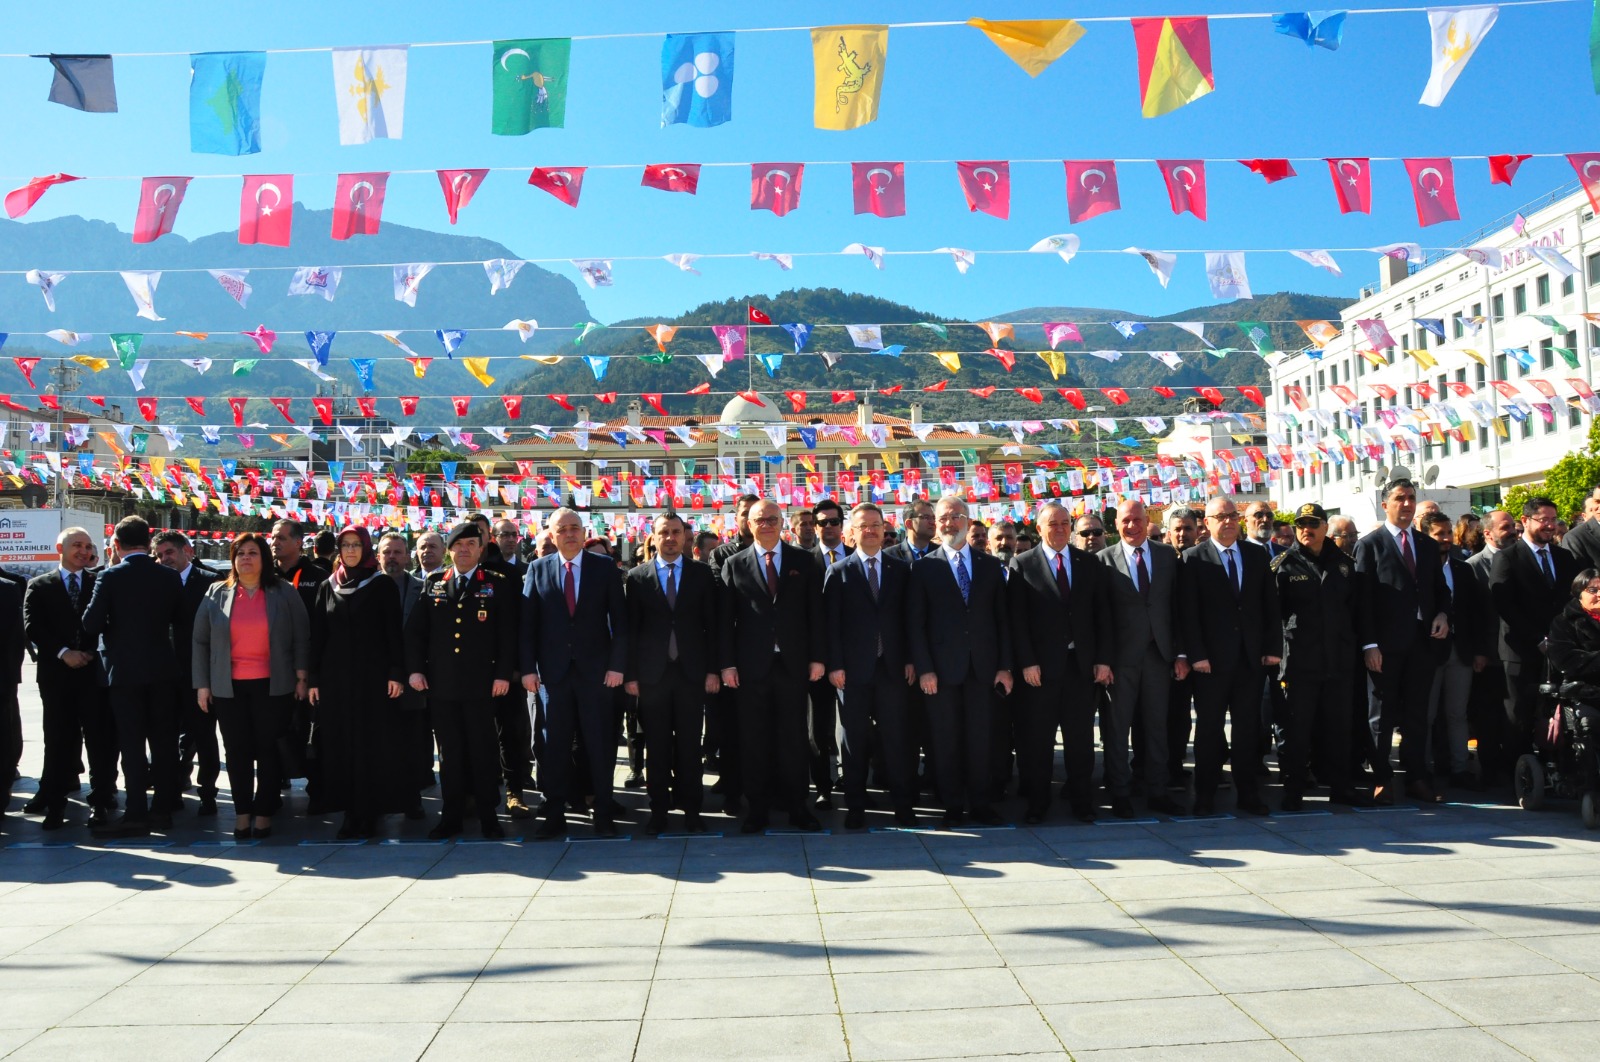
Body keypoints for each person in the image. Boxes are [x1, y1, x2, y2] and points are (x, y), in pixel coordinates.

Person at [193, 533, 310, 840]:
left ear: (264, 558)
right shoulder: (216, 592)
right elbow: (200, 641)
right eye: (240, 553)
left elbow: (302, 634)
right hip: (227, 687)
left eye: (253, 552)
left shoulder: (283, 592)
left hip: (274, 685)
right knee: (237, 751)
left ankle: (264, 812)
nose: (246, 557)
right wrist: (202, 685)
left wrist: (301, 676)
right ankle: (242, 812)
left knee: (269, 750)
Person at [718, 498, 826, 833]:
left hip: (793, 665)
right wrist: (727, 665)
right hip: (751, 668)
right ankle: (758, 810)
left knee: (795, 739)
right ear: (748, 524)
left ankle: (798, 807)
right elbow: (725, 621)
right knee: (754, 740)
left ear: (783, 524)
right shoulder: (734, 564)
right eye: (760, 520)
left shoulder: (803, 560)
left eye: (773, 519)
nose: (766, 525)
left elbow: (816, 615)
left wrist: (818, 658)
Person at [520, 508, 628, 839]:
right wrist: (527, 669)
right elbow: (527, 625)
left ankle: (604, 813)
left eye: (574, 528)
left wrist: (617, 666)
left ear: (584, 533)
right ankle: (554, 815)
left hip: (597, 674)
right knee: (554, 747)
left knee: (599, 744)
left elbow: (621, 623)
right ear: (551, 535)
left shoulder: (604, 567)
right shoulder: (537, 569)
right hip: (552, 676)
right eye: (562, 529)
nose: (569, 533)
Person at [407, 523, 518, 840]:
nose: (466, 549)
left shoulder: (495, 583)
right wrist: (415, 670)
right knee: (450, 755)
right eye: (460, 544)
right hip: (442, 686)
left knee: (483, 753)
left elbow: (507, 635)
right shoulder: (435, 584)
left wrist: (502, 673)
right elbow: (416, 634)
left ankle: (488, 818)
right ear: (450, 550)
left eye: (472, 544)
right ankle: (451, 816)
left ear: (481, 549)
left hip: (482, 685)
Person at [908, 495, 1012, 827]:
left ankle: (981, 804)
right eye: (942, 518)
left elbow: (1002, 620)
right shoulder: (924, 567)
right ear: (934, 524)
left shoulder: (990, 565)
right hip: (940, 671)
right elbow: (916, 624)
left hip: (983, 669)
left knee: (981, 740)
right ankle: (952, 805)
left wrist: (1005, 666)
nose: (949, 523)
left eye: (955, 516)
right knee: (946, 741)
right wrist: (924, 668)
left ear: (968, 520)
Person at [1177, 496, 1282, 816]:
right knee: (1209, 730)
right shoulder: (1193, 559)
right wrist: (1196, 654)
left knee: (1248, 730)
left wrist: (1272, 648)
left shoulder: (1255, 555)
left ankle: (1248, 794)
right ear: (1206, 523)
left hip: (1250, 660)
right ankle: (1205, 795)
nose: (1228, 521)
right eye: (1220, 517)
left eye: (1232, 516)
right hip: (1210, 662)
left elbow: (1269, 605)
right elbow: (1188, 613)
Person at [1009, 502, 1112, 824]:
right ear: (1039, 529)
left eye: (1065, 523)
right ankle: (1038, 804)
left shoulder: (1088, 563)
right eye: (1052, 524)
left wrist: (1103, 660)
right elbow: (1017, 621)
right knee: (1038, 741)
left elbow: (1101, 616)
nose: (1060, 529)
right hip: (1039, 670)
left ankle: (1082, 801)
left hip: (1080, 668)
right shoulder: (1022, 564)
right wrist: (1026, 662)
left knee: (1081, 740)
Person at [82, 516, 185, 838]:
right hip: (162, 668)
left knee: (132, 743)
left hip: (124, 672)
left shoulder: (111, 576)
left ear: (115, 544)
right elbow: (180, 619)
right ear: (148, 541)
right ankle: (164, 810)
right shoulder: (168, 577)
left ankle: (136, 811)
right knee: (165, 742)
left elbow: (90, 623)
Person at [1355, 478, 1451, 805]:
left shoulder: (1425, 545)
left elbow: (1441, 590)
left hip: (1421, 646)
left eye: (1411, 497)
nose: (1407, 504)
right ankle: (1382, 778)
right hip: (1384, 648)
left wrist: (1442, 615)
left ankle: (1417, 778)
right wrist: (1369, 645)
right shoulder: (1370, 545)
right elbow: (1361, 602)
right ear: (1386, 504)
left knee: (1417, 715)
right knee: (1380, 716)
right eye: (1400, 498)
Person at [307, 528, 406, 840]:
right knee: (341, 746)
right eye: (345, 545)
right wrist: (314, 678)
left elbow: (394, 633)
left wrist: (395, 672)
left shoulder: (382, 585)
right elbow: (318, 636)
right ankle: (349, 812)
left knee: (371, 747)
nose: (350, 550)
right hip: (336, 681)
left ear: (365, 549)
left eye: (355, 545)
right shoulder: (327, 586)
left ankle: (370, 812)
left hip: (373, 680)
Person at [1271, 504, 1372, 810]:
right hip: (1301, 663)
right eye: (1301, 524)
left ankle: (1341, 787)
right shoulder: (1283, 565)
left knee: (1339, 729)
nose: (1305, 529)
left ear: (1326, 528)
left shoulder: (1344, 563)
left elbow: (1356, 612)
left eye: (1313, 523)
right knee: (1297, 732)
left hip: (1338, 661)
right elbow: (1272, 616)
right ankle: (1294, 791)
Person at [623, 513, 718, 835]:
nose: (671, 538)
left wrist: (712, 671)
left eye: (676, 532)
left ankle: (692, 810)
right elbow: (630, 630)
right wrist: (631, 675)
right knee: (657, 746)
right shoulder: (637, 577)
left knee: (691, 747)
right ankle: (659, 811)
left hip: (691, 674)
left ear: (685, 537)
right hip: (653, 676)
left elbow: (712, 627)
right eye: (664, 532)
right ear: (654, 536)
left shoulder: (703, 575)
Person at [824, 503, 916, 829]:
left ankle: (903, 805)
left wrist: (909, 660)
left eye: (876, 524)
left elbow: (910, 622)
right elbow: (830, 625)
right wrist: (834, 665)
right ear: (852, 531)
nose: (872, 530)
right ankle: (856, 807)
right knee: (853, 743)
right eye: (864, 525)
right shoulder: (838, 571)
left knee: (897, 739)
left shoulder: (901, 569)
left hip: (892, 669)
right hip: (852, 672)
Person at [23, 527, 116, 830]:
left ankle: (100, 802)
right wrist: (63, 652)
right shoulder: (40, 585)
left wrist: (87, 652)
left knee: (99, 740)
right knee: (58, 740)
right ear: (59, 547)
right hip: (56, 676)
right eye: (77, 545)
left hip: (92, 674)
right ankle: (54, 803)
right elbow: (33, 627)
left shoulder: (99, 582)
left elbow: (107, 622)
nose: (83, 551)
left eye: (88, 546)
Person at [1100, 500, 1186, 817]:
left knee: (1156, 727)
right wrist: (1104, 660)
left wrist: (1180, 652)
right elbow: (1101, 617)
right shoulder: (1103, 560)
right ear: (1116, 524)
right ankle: (1120, 793)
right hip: (1120, 660)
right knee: (1117, 728)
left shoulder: (1166, 556)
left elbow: (1177, 609)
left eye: (1138, 519)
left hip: (1159, 655)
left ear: (1147, 520)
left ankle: (1157, 791)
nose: (1132, 526)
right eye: (1126, 520)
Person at [1490, 497, 1581, 765]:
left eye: (1553, 520)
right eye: (1543, 520)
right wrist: (1536, 639)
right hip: (1521, 650)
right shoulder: (1507, 557)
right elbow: (1505, 605)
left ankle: (1558, 767)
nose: (1550, 526)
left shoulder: (1564, 557)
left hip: (1559, 649)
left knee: (1557, 712)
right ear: (1526, 521)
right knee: (1519, 714)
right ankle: (1517, 773)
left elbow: (1571, 601)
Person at [1418, 511, 1491, 789]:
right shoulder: (1418, 567)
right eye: (1439, 534)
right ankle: (1421, 770)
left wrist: (1480, 650)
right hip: (1427, 651)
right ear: (1425, 535)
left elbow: (1476, 613)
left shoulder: (1462, 568)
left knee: (1457, 714)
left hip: (1460, 652)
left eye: (1448, 532)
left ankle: (1460, 769)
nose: (1446, 538)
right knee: (1425, 714)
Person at [154, 530, 220, 816]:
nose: (163, 559)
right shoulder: (154, 583)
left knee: (204, 736)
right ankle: (170, 790)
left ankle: (208, 793)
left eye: (169, 552)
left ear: (187, 552)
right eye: (159, 554)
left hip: (200, 675)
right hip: (164, 675)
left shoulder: (210, 582)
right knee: (164, 737)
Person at [270, 519, 328, 800]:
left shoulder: (317, 576)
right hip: (271, 667)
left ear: (298, 542)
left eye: (281, 538)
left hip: (308, 665)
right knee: (275, 728)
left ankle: (317, 786)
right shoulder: (264, 574)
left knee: (310, 729)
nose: (275, 542)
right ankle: (275, 780)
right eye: (273, 537)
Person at [378, 531, 431, 816]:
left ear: (407, 556)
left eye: (398, 552)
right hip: (378, 676)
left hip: (413, 676)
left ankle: (412, 798)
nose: (392, 558)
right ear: (378, 556)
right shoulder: (367, 587)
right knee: (381, 740)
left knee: (413, 740)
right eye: (387, 552)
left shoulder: (422, 587)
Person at [1468, 511, 1517, 785]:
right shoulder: (1473, 566)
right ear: (1487, 533)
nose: (1511, 531)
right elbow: (1471, 614)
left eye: (1513, 526)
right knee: (1487, 715)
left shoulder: (1520, 559)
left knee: (1514, 713)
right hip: (1488, 655)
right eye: (1505, 527)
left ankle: (1512, 767)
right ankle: (1489, 769)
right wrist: (1479, 650)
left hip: (1516, 651)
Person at [1543, 572, 1600, 796]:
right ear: (1579, 594)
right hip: (1584, 692)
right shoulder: (1564, 622)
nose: (1599, 595)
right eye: (1593, 590)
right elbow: (1567, 660)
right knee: (1589, 725)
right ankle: (1591, 786)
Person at [808, 498, 848, 805]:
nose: (829, 527)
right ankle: (823, 786)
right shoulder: (803, 562)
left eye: (834, 521)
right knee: (818, 730)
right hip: (816, 662)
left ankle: (853, 783)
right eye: (823, 522)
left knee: (853, 728)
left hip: (853, 659)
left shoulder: (859, 559)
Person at [1164, 507, 1201, 787]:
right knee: (1170, 715)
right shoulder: (1163, 561)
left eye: (1187, 528)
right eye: (1177, 528)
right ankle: (1166, 766)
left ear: (1198, 530)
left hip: (1202, 653)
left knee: (1193, 717)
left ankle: (1187, 764)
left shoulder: (1203, 560)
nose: (1182, 534)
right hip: (1168, 653)